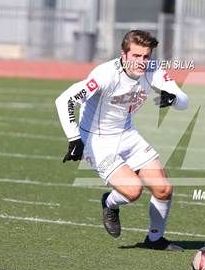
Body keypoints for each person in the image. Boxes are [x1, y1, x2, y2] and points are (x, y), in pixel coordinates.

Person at [55, 30, 188, 251]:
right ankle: (109, 203)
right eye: (136, 56)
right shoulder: (106, 74)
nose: (141, 62)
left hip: (127, 134)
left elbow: (184, 101)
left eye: (146, 56)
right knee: (133, 191)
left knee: (163, 189)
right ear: (123, 54)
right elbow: (65, 99)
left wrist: (173, 98)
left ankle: (155, 240)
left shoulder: (153, 71)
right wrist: (74, 138)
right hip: (96, 141)